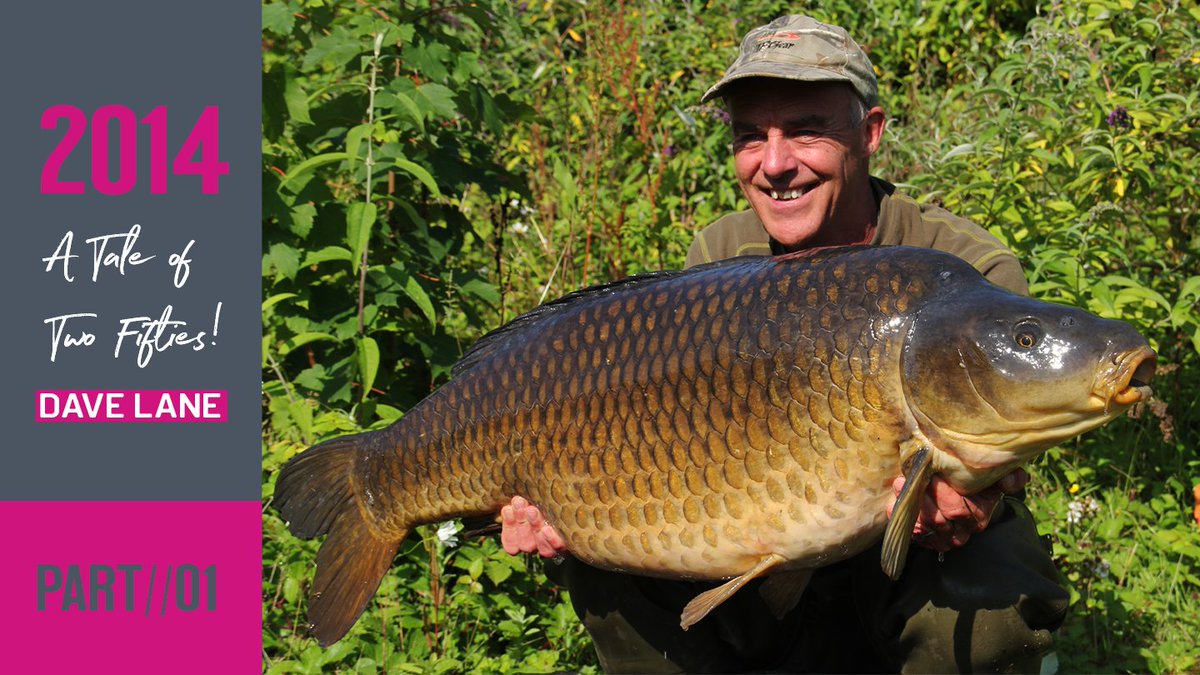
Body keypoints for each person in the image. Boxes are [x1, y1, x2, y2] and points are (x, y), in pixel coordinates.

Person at [500, 15, 1068, 673]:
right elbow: (682, 445)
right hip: (767, 532)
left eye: (805, 130)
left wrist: (977, 498)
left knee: (991, 594)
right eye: (751, 136)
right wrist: (566, 499)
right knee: (604, 557)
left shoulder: (964, 267)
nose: (774, 165)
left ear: (870, 132)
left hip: (910, 551)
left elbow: (1004, 450)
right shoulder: (721, 255)